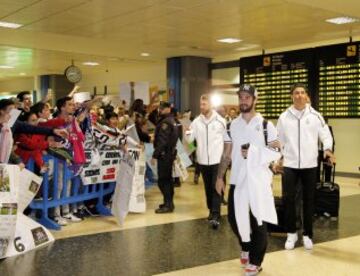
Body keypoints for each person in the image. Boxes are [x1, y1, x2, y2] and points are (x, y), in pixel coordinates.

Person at [216, 84, 281, 276]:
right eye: (241, 97)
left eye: (247, 97)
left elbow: (277, 151)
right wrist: (220, 177)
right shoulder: (231, 125)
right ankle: (246, 245)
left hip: (258, 182)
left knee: (258, 222)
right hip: (237, 179)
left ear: (254, 99)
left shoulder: (265, 125)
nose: (243, 101)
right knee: (235, 220)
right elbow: (226, 153)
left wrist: (254, 152)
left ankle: (255, 261)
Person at [276, 83, 335, 250]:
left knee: (309, 200)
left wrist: (328, 150)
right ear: (291, 96)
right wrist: (277, 158)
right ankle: (291, 233)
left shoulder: (316, 116)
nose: (299, 95)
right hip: (290, 164)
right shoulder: (284, 117)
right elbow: (278, 140)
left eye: (302, 93)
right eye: (296, 93)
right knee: (289, 200)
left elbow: (325, 135)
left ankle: (308, 234)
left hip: (310, 165)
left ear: (306, 96)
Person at [185, 94, 226, 229]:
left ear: (211, 105)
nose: (201, 107)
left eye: (204, 104)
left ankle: (215, 214)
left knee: (215, 187)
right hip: (202, 161)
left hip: (217, 161)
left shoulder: (220, 121)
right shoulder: (196, 122)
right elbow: (190, 142)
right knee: (208, 188)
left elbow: (227, 141)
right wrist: (188, 135)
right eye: (200, 104)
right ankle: (211, 210)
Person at [151, 102, 178, 213]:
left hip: (164, 155)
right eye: (159, 108)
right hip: (169, 154)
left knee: (163, 181)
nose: (160, 110)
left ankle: (168, 204)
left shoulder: (165, 122)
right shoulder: (172, 120)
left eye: (162, 109)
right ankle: (169, 202)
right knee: (168, 180)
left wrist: (155, 155)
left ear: (168, 109)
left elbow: (162, 141)